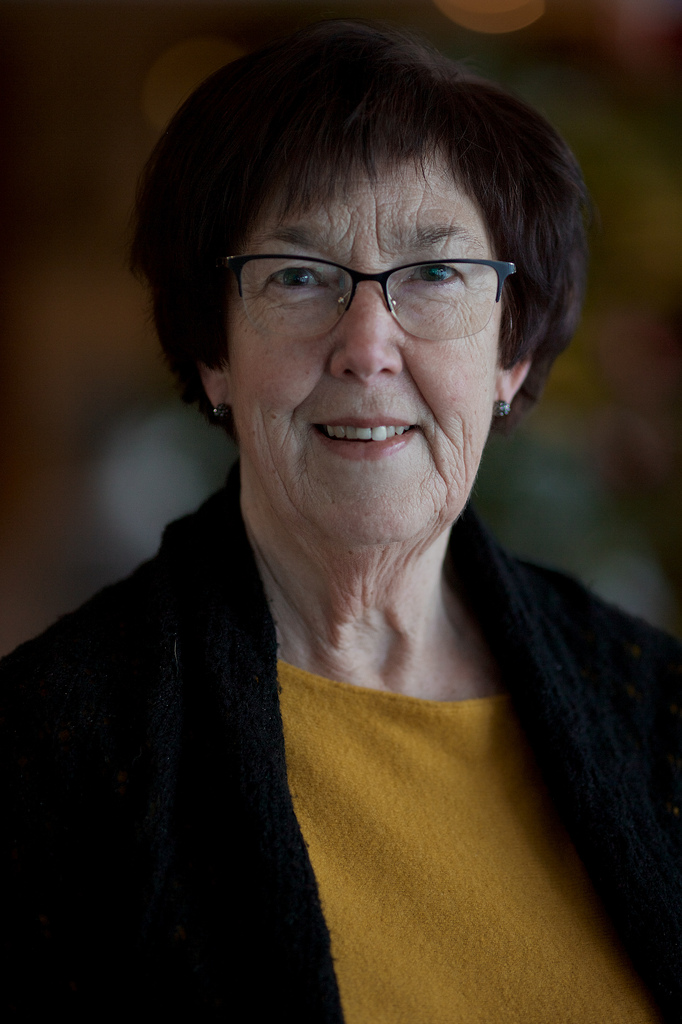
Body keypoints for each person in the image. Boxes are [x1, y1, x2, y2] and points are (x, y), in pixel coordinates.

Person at [2, 19, 681, 1021]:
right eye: (297, 274)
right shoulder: (43, 754)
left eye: (435, 273)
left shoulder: (659, 709)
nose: (367, 345)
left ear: (512, 352)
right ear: (213, 351)